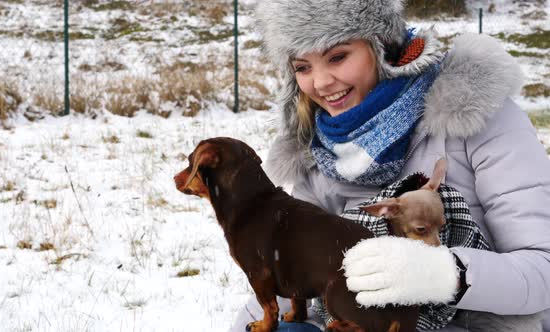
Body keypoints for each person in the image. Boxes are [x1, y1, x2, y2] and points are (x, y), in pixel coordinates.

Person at [229, 0, 550, 331]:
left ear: (381, 46)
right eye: (302, 67)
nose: (321, 82)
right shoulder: (316, 153)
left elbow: (543, 269)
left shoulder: (474, 115)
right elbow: (285, 267)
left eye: (337, 57)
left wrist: (441, 273)